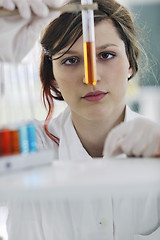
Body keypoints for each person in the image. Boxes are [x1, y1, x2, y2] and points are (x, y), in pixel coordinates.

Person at [1, 0, 160, 239]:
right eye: (70, 60)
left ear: (130, 63)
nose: (91, 77)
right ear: (53, 78)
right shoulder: (28, 146)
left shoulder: (155, 145)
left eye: (107, 55)